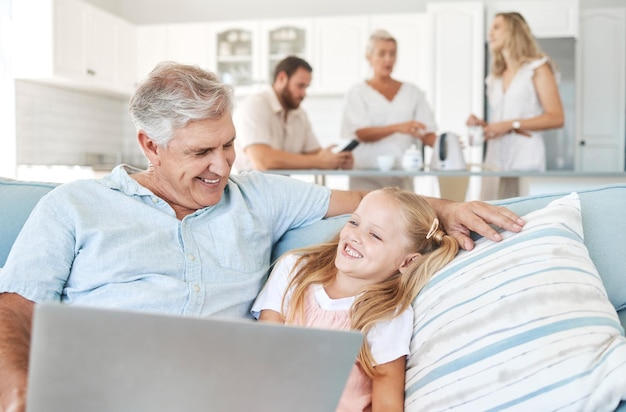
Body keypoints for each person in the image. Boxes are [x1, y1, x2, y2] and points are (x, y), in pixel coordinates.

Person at [0, 61, 525, 412]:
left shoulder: (258, 196)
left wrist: (448, 208)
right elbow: (14, 309)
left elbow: (370, 205)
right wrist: (17, 389)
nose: (221, 167)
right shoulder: (74, 207)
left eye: (228, 145)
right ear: (150, 145)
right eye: (200, 152)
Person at [252, 187, 459, 411]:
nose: (355, 236)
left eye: (375, 235)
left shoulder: (387, 313)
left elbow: (387, 402)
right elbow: (264, 351)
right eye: (354, 222)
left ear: (407, 263)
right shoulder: (293, 269)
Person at [466, 12, 564, 200]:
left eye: (496, 27)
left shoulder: (537, 69)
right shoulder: (495, 77)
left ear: (513, 31)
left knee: (523, 217)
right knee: (490, 215)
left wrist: (511, 124)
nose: (490, 33)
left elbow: (556, 117)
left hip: (525, 158)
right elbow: (502, 121)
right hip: (494, 161)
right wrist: (484, 126)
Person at [340, 29, 437, 190]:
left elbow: (427, 133)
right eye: (382, 53)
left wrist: (448, 145)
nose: (388, 59)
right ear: (369, 57)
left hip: (401, 177)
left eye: (392, 54)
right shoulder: (357, 92)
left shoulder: (413, 92)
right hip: (365, 177)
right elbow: (361, 133)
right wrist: (399, 127)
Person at [233, 55, 353, 172]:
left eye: (306, 87)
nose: (304, 94)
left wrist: (337, 160)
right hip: (252, 188)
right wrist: (319, 161)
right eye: (300, 86)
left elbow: (316, 154)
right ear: (281, 78)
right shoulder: (255, 105)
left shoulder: (300, 114)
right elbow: (263, 161)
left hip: (283, 187)